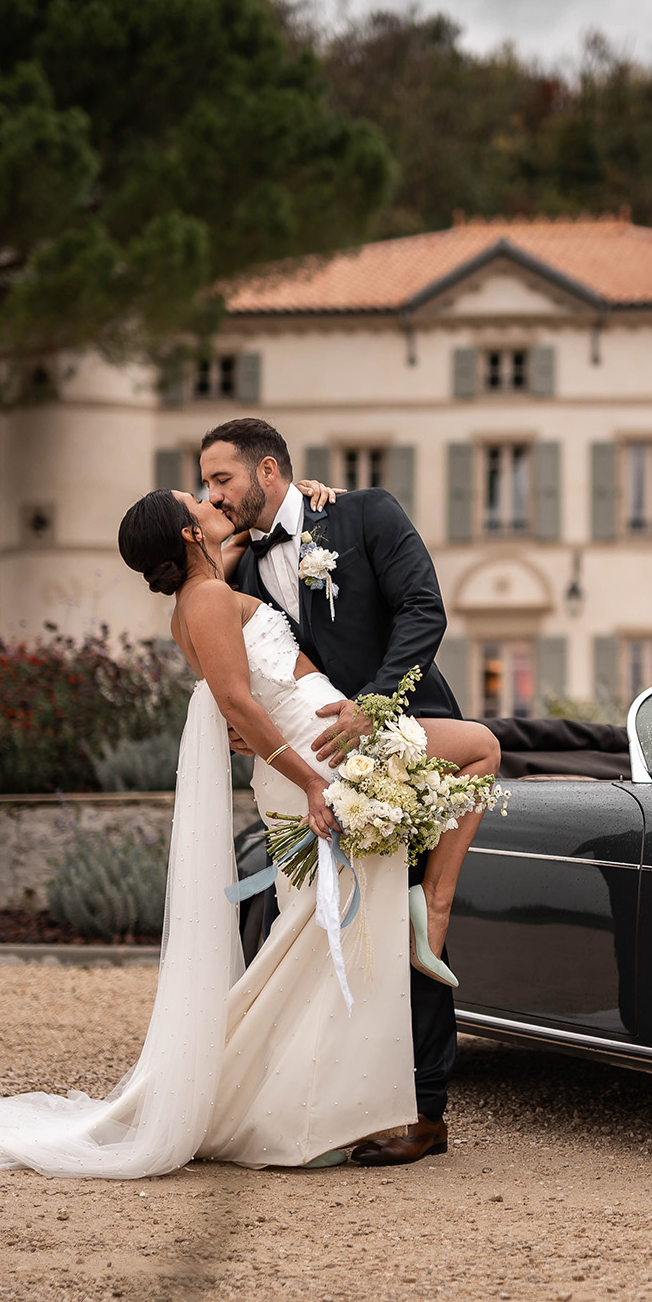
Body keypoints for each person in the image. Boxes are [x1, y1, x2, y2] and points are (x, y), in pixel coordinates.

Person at [0, 489, 490, 1176]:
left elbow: (247, 553)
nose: (212, 496)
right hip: (318, 755)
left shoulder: (206, 589)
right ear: (190, 533)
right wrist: (311, 782)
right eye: (197, 497)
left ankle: (327, 1091)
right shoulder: (207, 599)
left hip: (313, 742)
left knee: (323, 941)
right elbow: (235, 701)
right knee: (467, 766)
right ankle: (423, 921)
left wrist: (308, 490)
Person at [200, 417, 476, 1167]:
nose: (212, 493)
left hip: (404, 738)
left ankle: (424, 1110)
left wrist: (375, 705)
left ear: (267, 470)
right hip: (314, 769)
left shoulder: (364, 514)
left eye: (222, 478)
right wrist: (245, 727)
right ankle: (343, 1096)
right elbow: (247, 670)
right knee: (338, 927)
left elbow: (423, 609)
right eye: (205, 483)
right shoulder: (237, 574)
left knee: (408, 916)